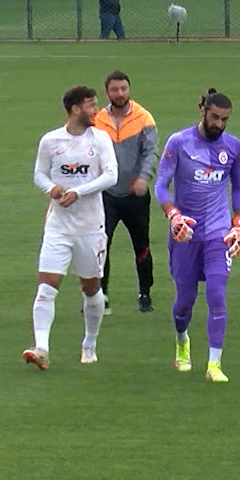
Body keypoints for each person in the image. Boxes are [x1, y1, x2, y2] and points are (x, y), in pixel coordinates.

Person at [23, 86, 118, 371]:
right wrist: (50, 188)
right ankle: (41, 348)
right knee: (46, 287)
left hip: (90, 227)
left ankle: (89, 342)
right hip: (58, 227)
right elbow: (39, 173)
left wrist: (78, 191)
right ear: (75, 109)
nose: (96, 110)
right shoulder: (51, 141)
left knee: (91, 288)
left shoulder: (100, 139)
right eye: (91, 105)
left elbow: (111, 176)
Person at [155, 89, 240, 383]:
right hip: (185, 234)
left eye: (224, 120)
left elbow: (239, 187)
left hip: (219, 234)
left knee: (217, 294)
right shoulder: (179, 143)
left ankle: (214, 364)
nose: (219, 124)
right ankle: (182, 339)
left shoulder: (232, 147)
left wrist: (238, 223)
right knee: (185, 301)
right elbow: (161, 185)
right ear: (202, 111)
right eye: (215, 117)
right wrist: (173, 215)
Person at [92, 70, 159, 314]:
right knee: (101, 245)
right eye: (115, 89)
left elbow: (151, 152)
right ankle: (101, 295)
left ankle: (145, 294)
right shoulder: (97, 120)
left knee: (142, 246)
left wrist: (143, 178)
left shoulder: (143, 117)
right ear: (107, 92)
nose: (120, 93)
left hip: (135, 196)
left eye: (124, 89)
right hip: (105, 195)